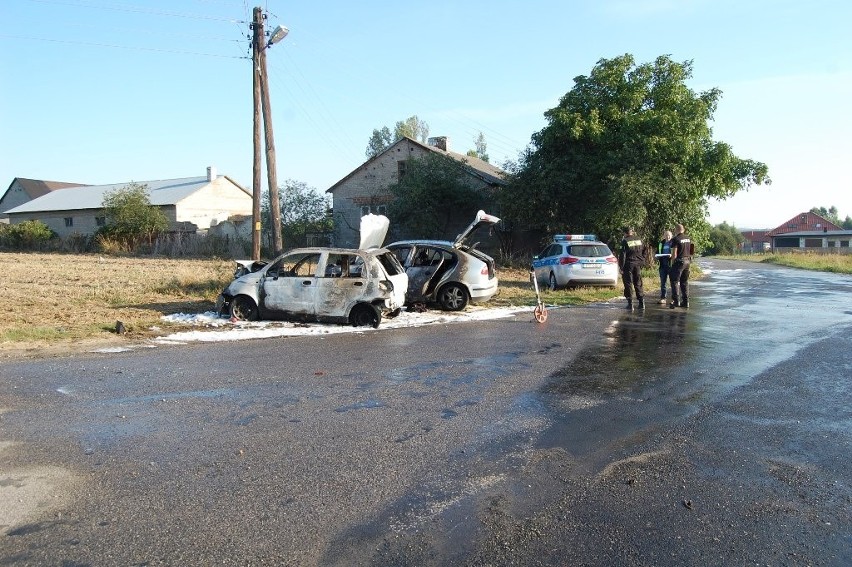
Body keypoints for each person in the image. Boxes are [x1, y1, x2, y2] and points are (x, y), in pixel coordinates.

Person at [618, 226, 646, 310]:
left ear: (625, 233)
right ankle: (641, 303)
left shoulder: (624, 241)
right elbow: (645, 250)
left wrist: (621, 267)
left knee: (628, 283)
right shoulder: (639, 239)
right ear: (632, 232)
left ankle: (630, 304)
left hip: (628, 264)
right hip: (638, 264)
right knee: (638, 282)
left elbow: (622, 255)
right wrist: (642, 259)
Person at [668, 223, 693, 309]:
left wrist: (672, 261)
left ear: (676, 230)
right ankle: (686, 302)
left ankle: (676, 301)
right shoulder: (688, 238)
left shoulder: (676, 239)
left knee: (674, 281)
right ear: (683, 230)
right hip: (688, 261)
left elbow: (674, 253)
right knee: (684, 282)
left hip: (679, 262)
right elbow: (692, 250)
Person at [657, 230, 673, 304]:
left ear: (671, 236)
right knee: (663, 283)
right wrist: (657, 256)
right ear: (664, 236)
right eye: (666, 235)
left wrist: (671, 256)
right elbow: (657, 252)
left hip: (671, 265)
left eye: (669, 235)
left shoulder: (673, 243)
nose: (668, 236)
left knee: (673, 283)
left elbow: (676, 253)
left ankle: (674, 299)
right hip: (662, 265)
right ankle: (663, 298)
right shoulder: (661, 243)